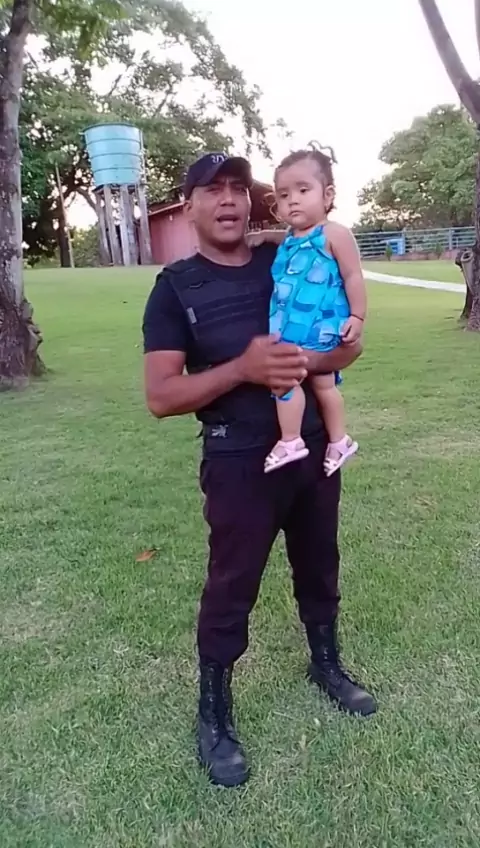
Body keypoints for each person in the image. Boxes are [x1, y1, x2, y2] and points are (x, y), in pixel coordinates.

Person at [142, 152, 377, 790]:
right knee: (232, 581)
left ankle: (325, 663)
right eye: (211, 190)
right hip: (238, 458)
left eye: (237, 189)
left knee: (320, 560)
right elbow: (160, 396)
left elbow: (344, 350)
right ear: (188, 206)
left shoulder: (287, 252)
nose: (228, 200)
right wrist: (243, 370)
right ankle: (213, 712)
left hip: (313, 446)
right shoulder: (175, 288)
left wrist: (334, 349)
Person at [254, 144, 365, 477]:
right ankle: (338, 441)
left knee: (290, 381)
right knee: (318, 384)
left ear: (327, 195)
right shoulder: (291, 237)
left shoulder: (334, 234)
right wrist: (264, 235)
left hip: (321, 327)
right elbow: (285, 237)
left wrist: (357, 316)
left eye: (303, 190)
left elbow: (353, 276)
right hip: (295, 326)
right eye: (284, 195)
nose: (293, 201)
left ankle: (292, 440)